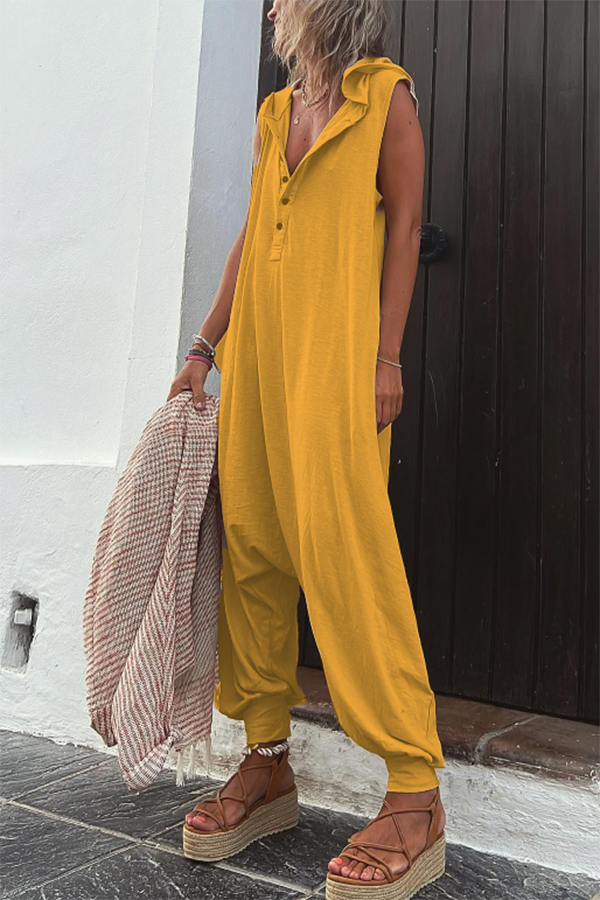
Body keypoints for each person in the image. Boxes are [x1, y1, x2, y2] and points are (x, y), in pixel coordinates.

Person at [167, 0, 447, 894]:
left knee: (343, 551)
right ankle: (266, 759)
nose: (275, 6)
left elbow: (405, 227)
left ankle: (415, 787)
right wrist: (204, 347)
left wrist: (386, 357)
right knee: (253, 545)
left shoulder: (385, 98)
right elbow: (253, 235)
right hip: (259, 354)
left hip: (337, 359)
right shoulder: (276, 113)